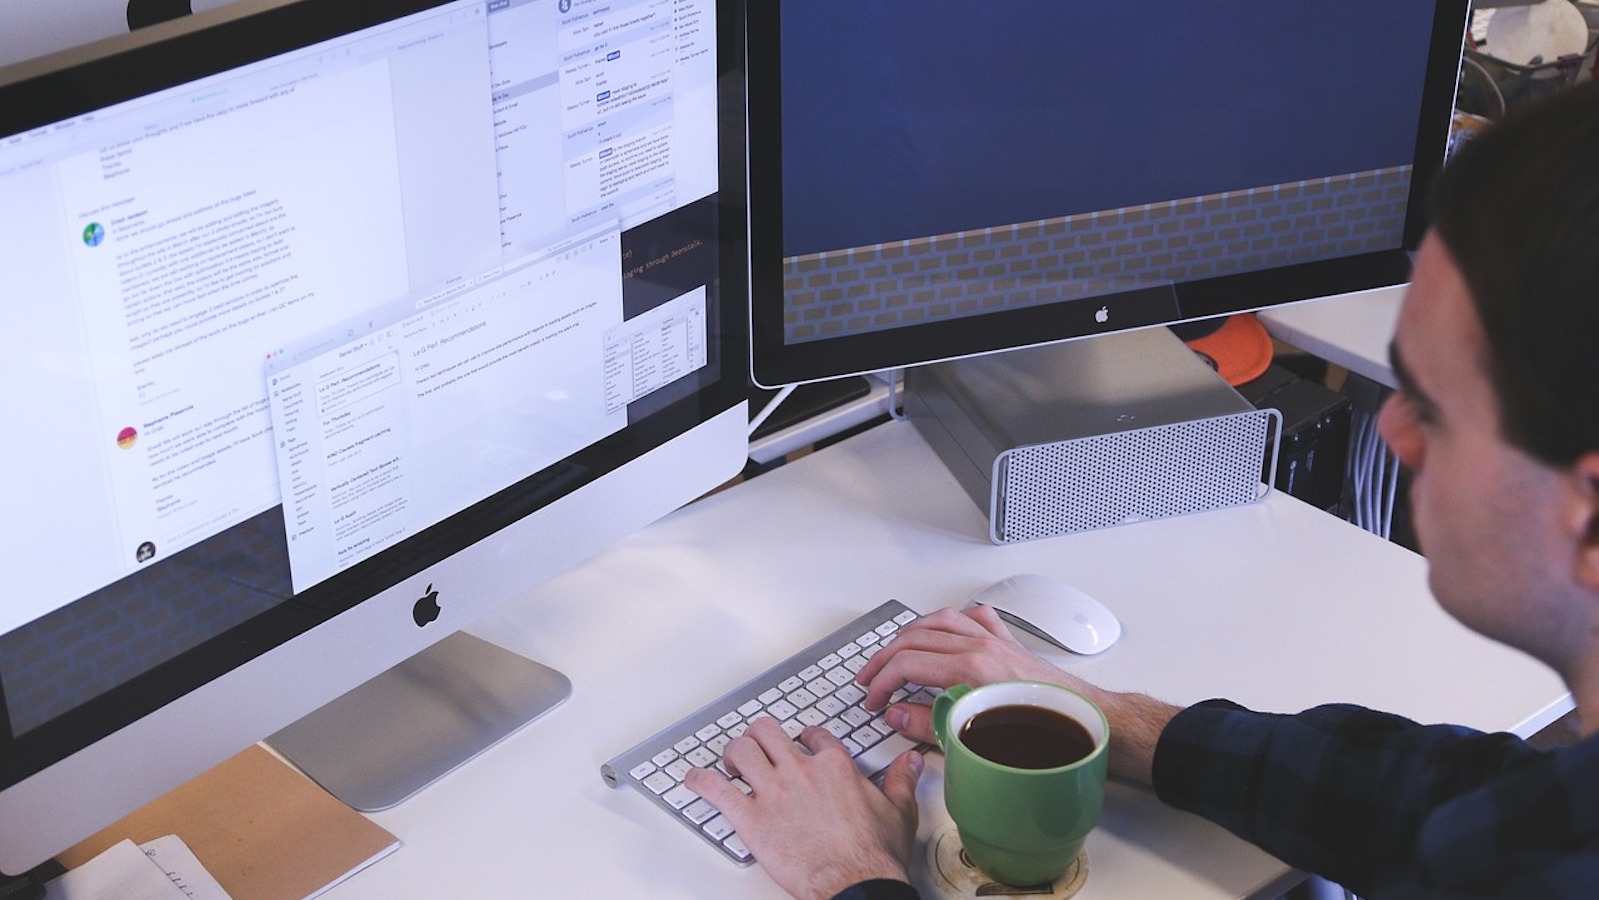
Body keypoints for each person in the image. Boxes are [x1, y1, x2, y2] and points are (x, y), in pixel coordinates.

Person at [685, 80, 1599, 900]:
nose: (1390, 429)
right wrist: (1097, 720)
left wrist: (853, 877)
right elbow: (1440, 803)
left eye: (1431, 407)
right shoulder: (1551, 819)